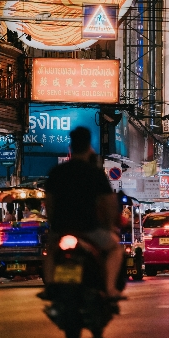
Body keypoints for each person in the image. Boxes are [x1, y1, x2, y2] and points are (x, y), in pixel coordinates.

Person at [45, 126, 124, 299]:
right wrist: (110, 226)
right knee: (115, 249)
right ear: (89, 146)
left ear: (71, 146)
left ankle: (49, 286)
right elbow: (109, 204)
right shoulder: (95, 174)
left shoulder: (57, 173)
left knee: (50, 251)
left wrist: (55, 225)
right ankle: (110, 288)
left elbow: (49, 204)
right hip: (90, 229)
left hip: (61, 229)